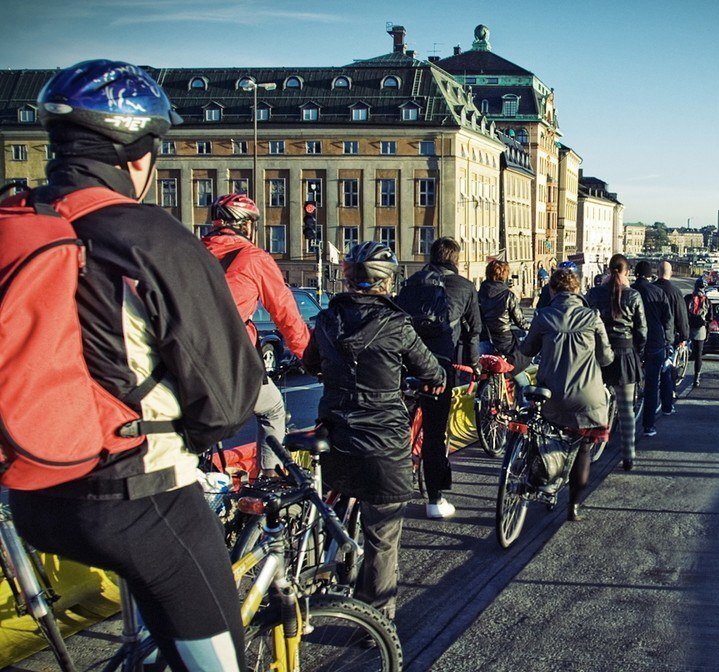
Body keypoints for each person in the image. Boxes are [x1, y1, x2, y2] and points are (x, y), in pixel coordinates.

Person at [8, 60, 262, 670]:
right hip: (136, 497)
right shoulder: (153, 237)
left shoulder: (18, 219)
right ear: (141, 153)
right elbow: (227, 399)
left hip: (33, 494)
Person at [303, 242, 445, 622]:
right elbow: (433, 372)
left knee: (336, 499)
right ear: (387, 282)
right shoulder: (397, 325)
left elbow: (310, 361)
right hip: (383, 440)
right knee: (383, 538)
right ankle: (375, 624)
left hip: (336, 433)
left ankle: (323, 569)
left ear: (347, 277)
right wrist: (431, 382)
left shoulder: (328, 319)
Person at [202, 193, 310, 477]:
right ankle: (268, 478)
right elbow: (285, 314)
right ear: (247, 226)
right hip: (231, 365)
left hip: (184, 362)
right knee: (273, 410)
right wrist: (309, 357)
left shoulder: (191, 252)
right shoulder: (254, 258)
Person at [521, 269, 613, 520]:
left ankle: (544, 482)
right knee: (584, 449)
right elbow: (606, 358)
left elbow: (527, 349)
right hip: (587, 398)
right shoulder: (592, 317)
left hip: (552, 396)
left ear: (552, 290)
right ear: (577, 290)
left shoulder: (543, 316)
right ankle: (573, 506)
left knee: (547, 435)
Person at [400, 237, 481, 518]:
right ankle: (435, 499)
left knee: (396, 422)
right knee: (435, 432)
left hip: (405, 362)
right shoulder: (466, 287)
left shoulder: (412, 282)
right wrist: (473, 365)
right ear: (455, 259)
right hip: (439, 366)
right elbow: (473, 332)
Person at [586, 254, 646, 470]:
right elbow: (642, 331)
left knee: (592, 402)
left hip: (598, 354)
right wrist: (638, 354)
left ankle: (589, 447)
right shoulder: (633, 296)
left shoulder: (594, 294)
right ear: (626, 272)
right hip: (625, 354)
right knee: (626, 409)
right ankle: (628, 455)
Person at [632, 261, 670, 436]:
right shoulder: (658, 292)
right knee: (651, 386)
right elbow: (667, 321)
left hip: (632, 343)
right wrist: (668, 341)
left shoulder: (630, 292)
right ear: (650, 274)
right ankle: (648, 426)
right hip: (654, 343)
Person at [478, 259, 530, 373]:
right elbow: (520, 321)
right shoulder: (507, 295)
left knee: (484, 373)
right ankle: (523, 389)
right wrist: (533, 326)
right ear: (504, 275)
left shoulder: (479, 294)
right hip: (504, 342)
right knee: (519, 366)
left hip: (484, 339)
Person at [653, 260, 690, 414]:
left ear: (657, 271)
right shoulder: (675, 292)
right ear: (671, 273)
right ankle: (667, 405)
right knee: (667, 371)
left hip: (652, 335)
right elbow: (681, 316)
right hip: (670, 337)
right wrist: (684, 336)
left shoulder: (652, 289)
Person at [684, 277, 714, 388]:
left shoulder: (688, 298)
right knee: (698, 354)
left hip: (688, 327)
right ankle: (696, 377)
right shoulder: (707, 300)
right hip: (700, 330)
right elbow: (710, 317)